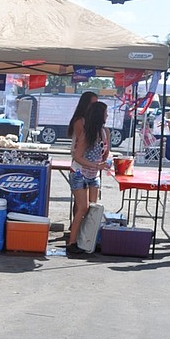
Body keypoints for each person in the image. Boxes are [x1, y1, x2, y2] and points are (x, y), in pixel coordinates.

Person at [67, 100, 110, 256]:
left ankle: (87, 239)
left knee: (93, 208)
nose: (107, 115)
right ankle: (72, 242)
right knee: (83, 208)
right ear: (100, 115)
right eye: (105, 112)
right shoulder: (87, 133)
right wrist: (95, 165)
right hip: (79, 173)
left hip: (93, 174)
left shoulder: (105, 131)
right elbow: (77, 156)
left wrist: (104, 162)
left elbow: (105, 152)